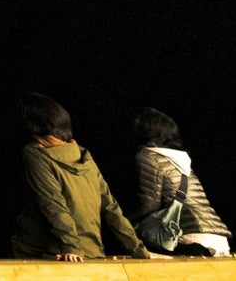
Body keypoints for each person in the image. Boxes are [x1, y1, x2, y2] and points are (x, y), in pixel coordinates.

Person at [11, 92, 146, 261]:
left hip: (52, 253)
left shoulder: (35, 154)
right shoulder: (83, 154)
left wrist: (71, 246)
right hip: (92, 251)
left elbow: (52, 203)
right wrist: (138, 250)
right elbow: (111, 207)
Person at [132, 107, 233, 256]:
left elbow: (148, 204)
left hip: (190, 238)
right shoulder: (180, 160)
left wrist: (122, 222)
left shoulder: (148, 156)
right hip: (218, 239)